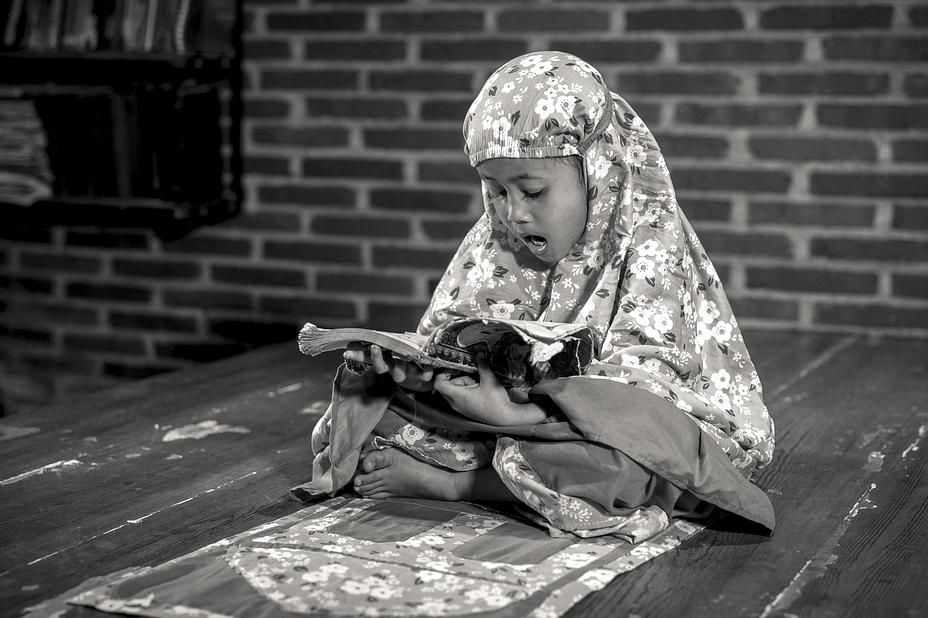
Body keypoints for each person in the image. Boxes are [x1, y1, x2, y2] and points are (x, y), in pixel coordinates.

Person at [292, 51, 775, 541]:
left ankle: (462, 485)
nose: (513, 215)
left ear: (597, 172)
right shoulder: (493, 240)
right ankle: (509, 469)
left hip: (588, 428)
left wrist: (517, 415)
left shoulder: (649, 242)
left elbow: (642, 395)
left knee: (628, 463)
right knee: (360, 412)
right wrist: (415, 372)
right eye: (496, 191)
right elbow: (450, 334)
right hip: (495, 415)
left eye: (532, 191)